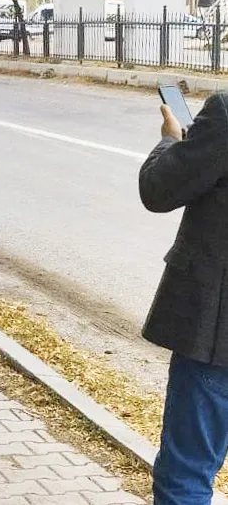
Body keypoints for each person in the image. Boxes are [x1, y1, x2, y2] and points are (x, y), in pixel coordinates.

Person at [140, 93, 228, 504]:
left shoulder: (226, 112)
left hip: (217, 338)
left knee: (186, 474)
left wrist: (171, 141)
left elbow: (159, 189)